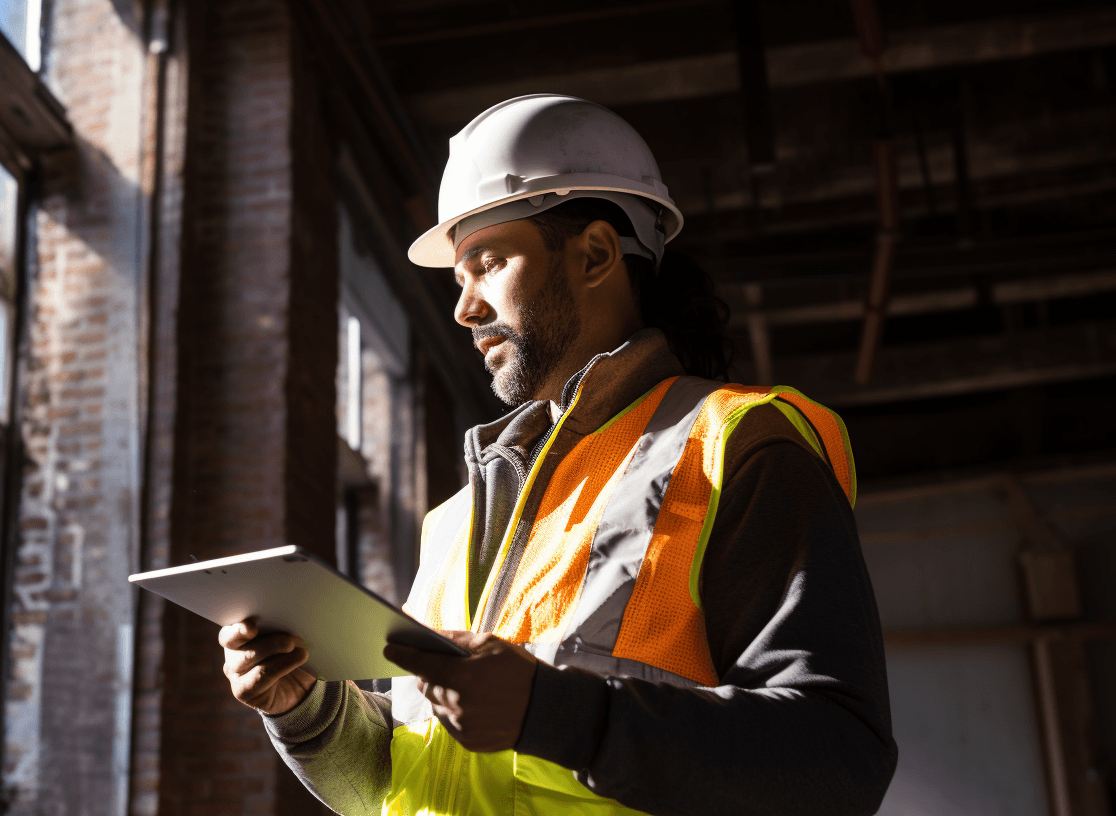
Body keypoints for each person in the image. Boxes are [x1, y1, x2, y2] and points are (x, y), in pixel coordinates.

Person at [219, 94, 897, 816]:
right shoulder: (454, 522)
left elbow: (838, 761)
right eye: (459, 278)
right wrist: (306, 711)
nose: (464, 308)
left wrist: (557, 714)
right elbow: (403, 780)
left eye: (488, 263)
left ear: (596, 254)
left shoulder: (736, 446)